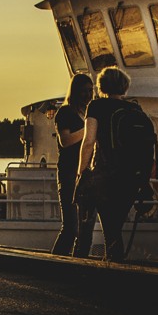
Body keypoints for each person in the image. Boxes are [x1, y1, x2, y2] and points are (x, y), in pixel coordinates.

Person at [73, 65, 151, 262]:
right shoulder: (135, 109)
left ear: (102, 86)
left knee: (96, 229)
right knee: (114, 227)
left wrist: (81, 173)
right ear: (124, 86)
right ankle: (113, 267)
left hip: (104, 176)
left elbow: (89, 141)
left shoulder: (97, 106)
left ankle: (83, 270)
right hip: (131, 179)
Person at [51, 73, 94, 256]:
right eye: (84, 91)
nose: (88, 94)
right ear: (75, 92)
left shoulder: (88, 113)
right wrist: (88, 130)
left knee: (86, 229)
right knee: (71, 227)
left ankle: (79, 263)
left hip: (86, 173)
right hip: (69, 173)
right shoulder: (65, 112)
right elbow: (65, 140)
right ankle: (55, 265)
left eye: (91, 90)